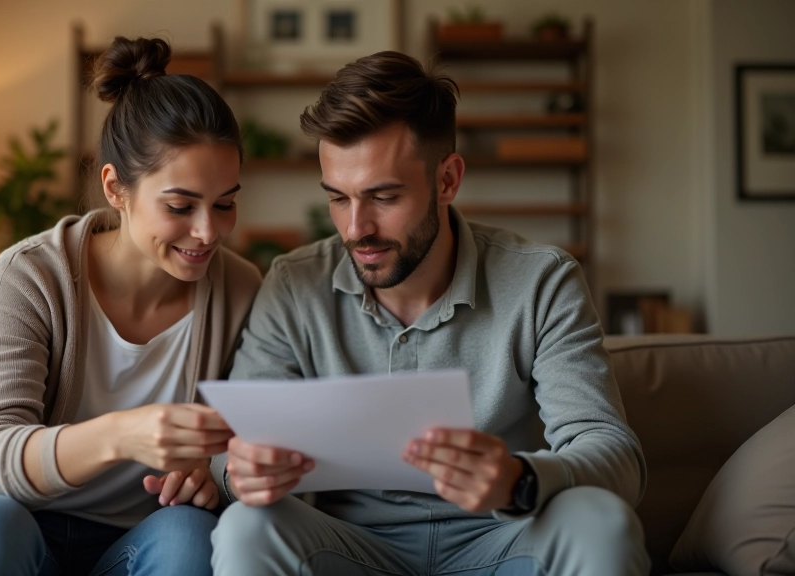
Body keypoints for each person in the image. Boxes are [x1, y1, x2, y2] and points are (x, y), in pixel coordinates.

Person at [209, 51, 650, 575]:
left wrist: (519, 479)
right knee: (245, 528)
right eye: (338, 198)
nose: (355, 229)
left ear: (447, 180)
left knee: (600, 520)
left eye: (383, 196)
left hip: (504, 541)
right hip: (350, 549)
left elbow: (614, 454)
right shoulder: (292, 283)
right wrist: (242, 472)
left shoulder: (541, 281)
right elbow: (230, 447)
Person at [0, 36, 261, 576]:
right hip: (12, 531)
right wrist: (122, 434)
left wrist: (213, 476)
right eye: (181, 206)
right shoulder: (31, 276)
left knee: (191, 536)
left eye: (225, 203)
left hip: (136, 543)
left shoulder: (241, 290)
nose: (208, 232)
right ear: (116, 187)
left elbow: (249, 443)